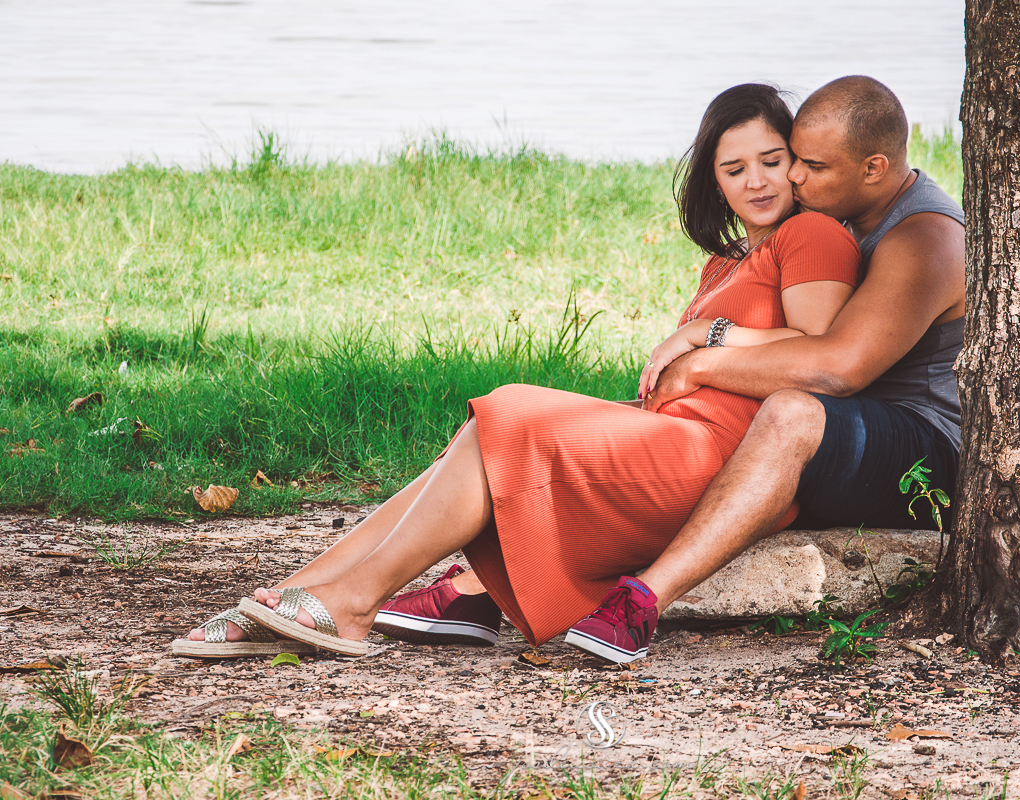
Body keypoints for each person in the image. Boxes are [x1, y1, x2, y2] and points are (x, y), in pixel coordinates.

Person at [172, 82, 861, 660]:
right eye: (734, 169)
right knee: (486, 432)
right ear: (714, 181)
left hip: (726, 461)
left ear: (797, 166)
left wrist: (706, 338)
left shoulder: (812, 233)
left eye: (772, 161)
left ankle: (351, 602)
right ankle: (301, 592)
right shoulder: (725, 263)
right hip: (672, 438)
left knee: (510, 409)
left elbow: (819, 349)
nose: (757, 181)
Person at [377, 74, 968, 665]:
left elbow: (838, 367)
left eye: (810, 166)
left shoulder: (924, 237)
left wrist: (707, 356)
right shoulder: (839, 217)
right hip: (844, 426)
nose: (791, 177)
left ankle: (641, 600)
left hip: (921, 450)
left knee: (789, 414)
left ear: (873, 168)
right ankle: (481, 587)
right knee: (570, 429)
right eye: (791, 160)